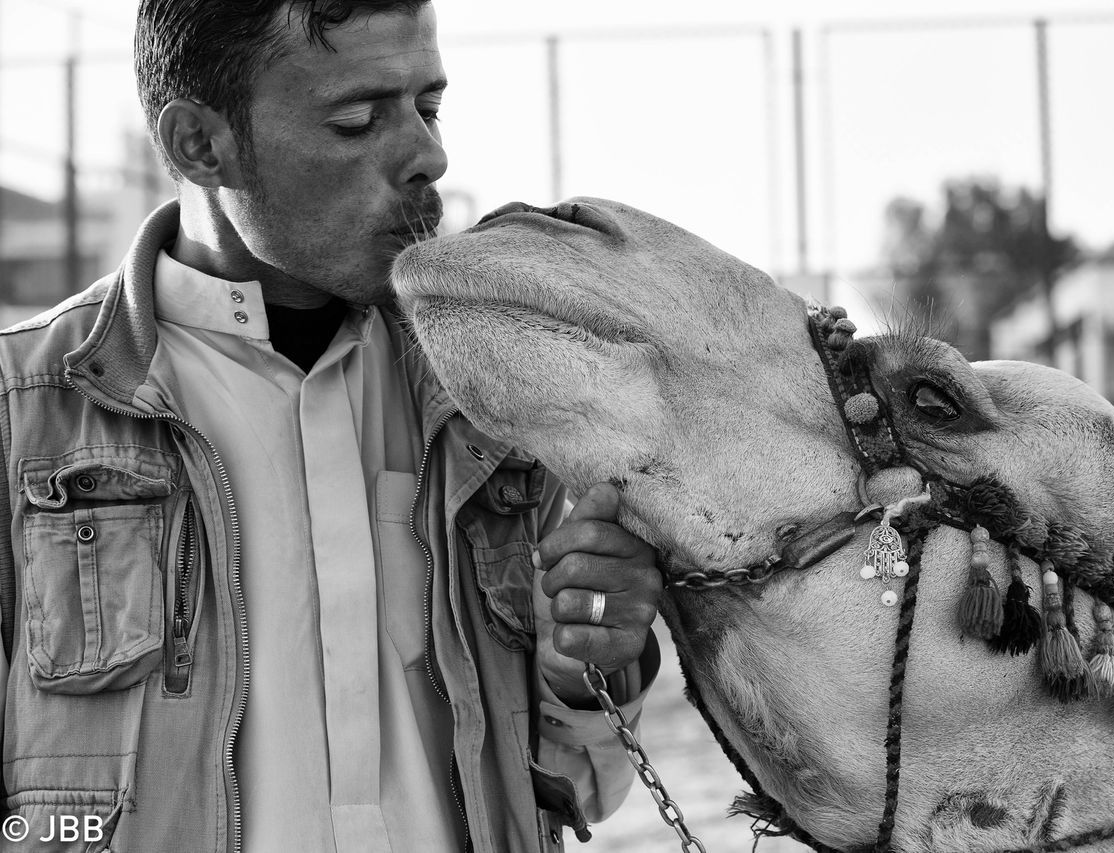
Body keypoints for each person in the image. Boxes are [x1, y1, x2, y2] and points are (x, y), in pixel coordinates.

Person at [0, 1, 664, 851]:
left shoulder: (490, 408)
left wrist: (590, 668)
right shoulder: (25, 412)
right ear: (200, 144)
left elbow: (574, 787)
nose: (428, 153)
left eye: (428, 106)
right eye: (357, 120)